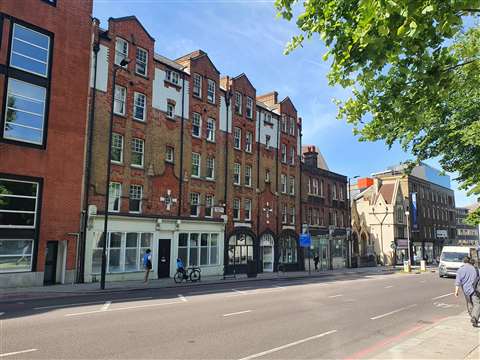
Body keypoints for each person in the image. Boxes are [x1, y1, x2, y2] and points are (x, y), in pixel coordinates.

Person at [455, 256, 480, 327]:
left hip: (466, 290)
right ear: (469, 261)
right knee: (477, 304)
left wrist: (456, 291)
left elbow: (457, 282)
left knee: (469, 303)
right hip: (474, 289)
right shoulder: (475, 269)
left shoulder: (460, 269)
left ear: (463, 261)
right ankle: (474, 317)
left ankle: (473, 316)